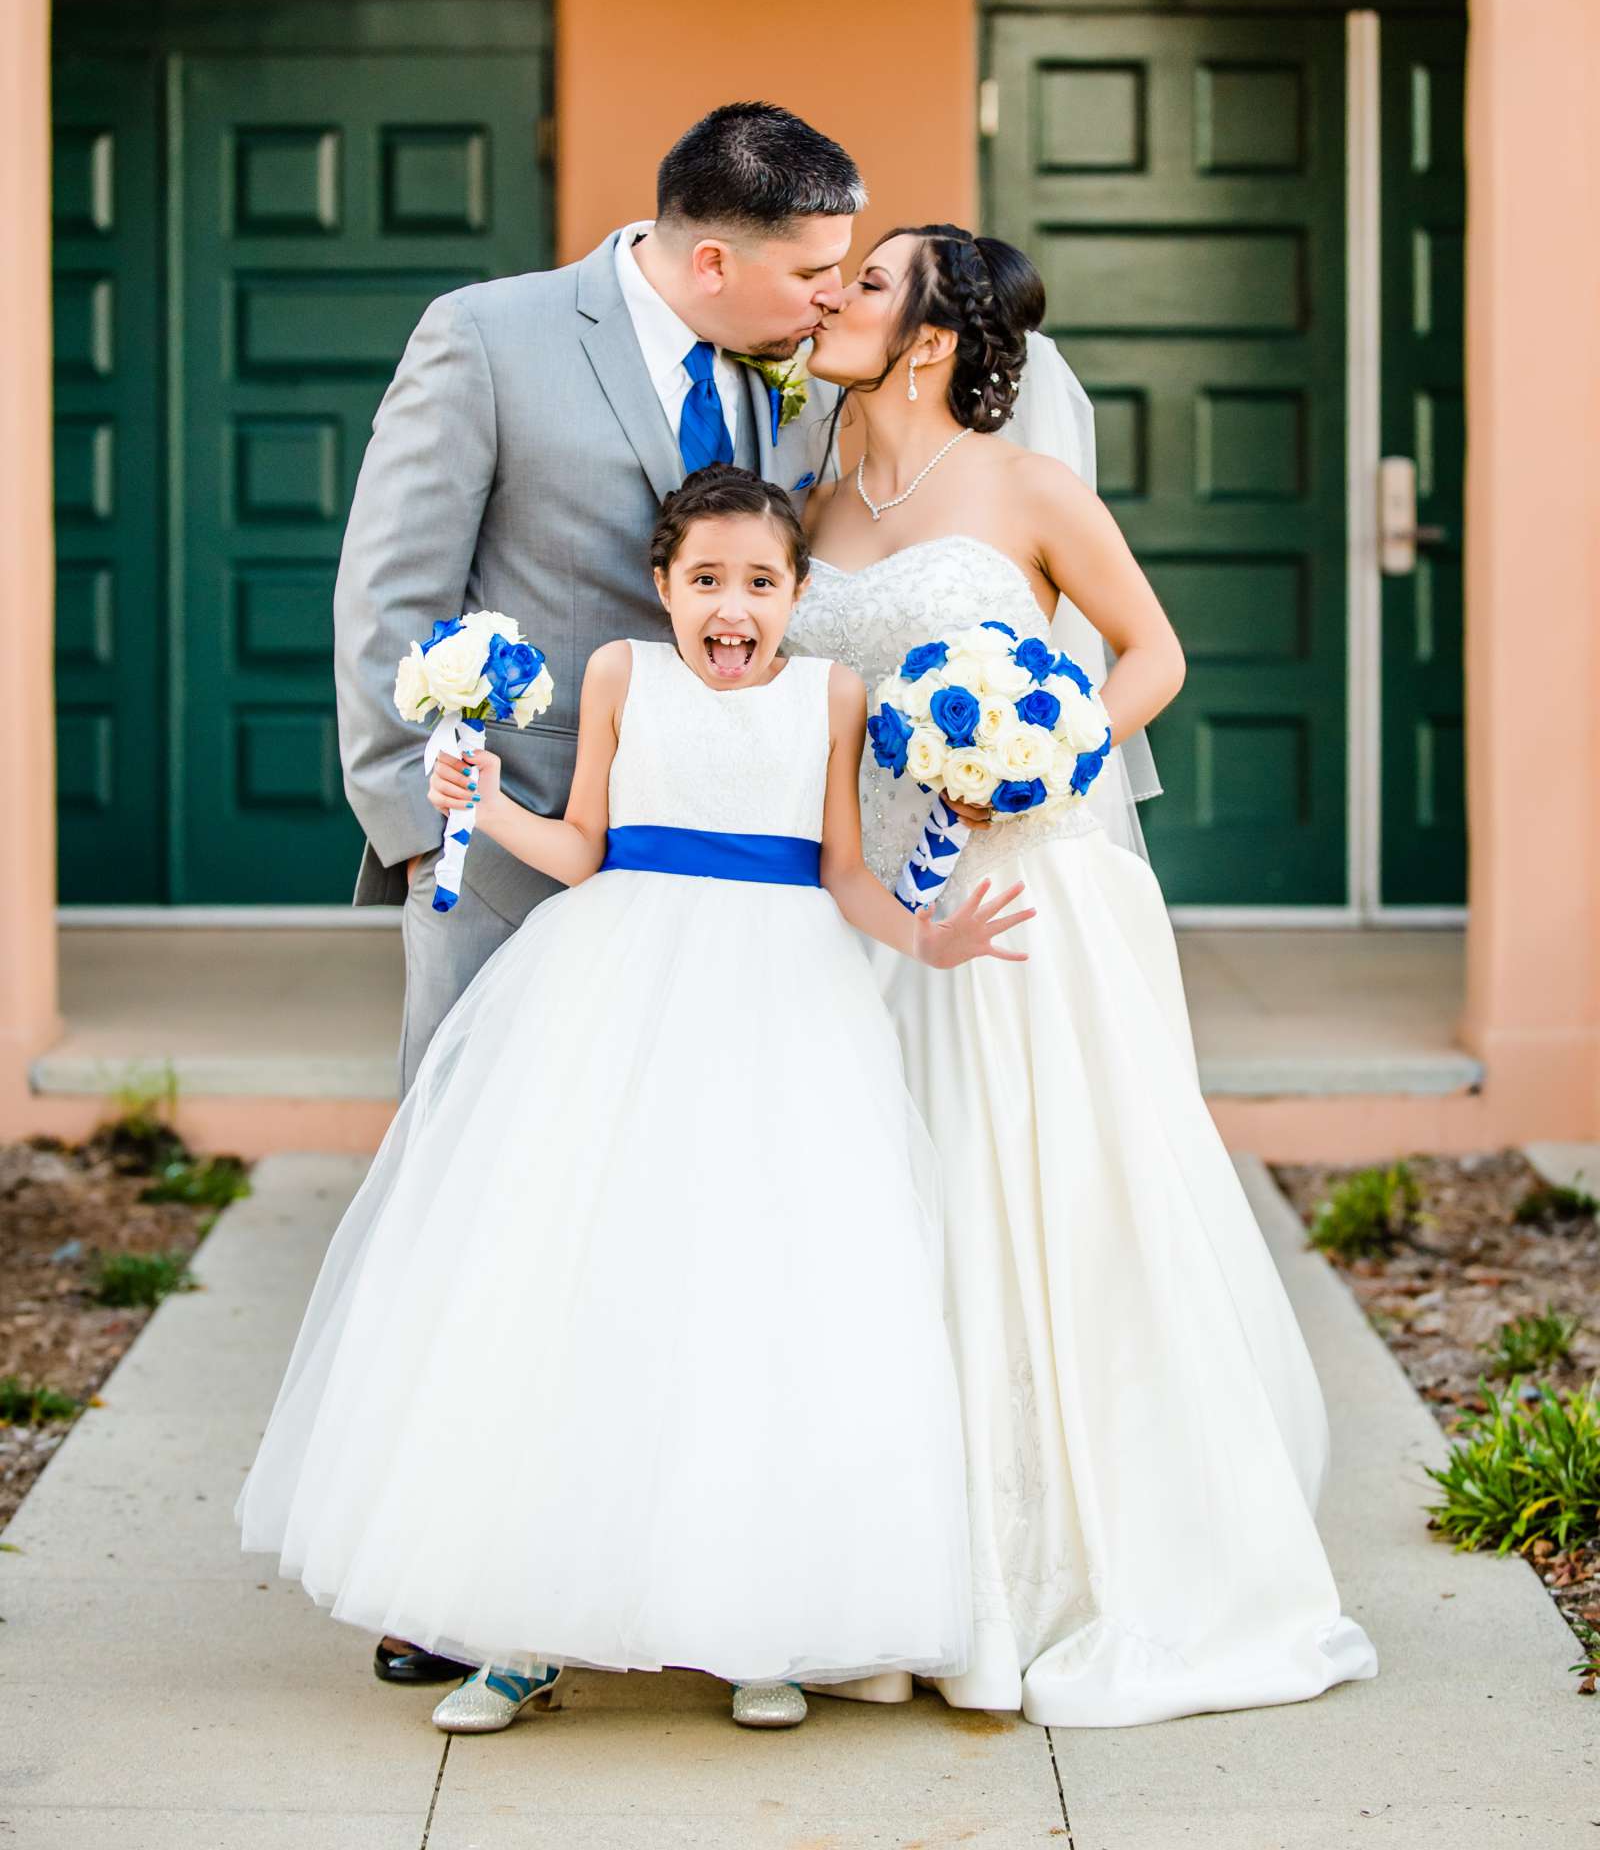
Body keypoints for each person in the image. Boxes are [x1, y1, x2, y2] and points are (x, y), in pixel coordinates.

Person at [239, 468, 1033, 1734]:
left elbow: (841, 868)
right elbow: (584, 846)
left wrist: (926, 937)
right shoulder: (621, 674)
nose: (732, 608)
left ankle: (757, 1624)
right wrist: (487, 799)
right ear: (663, 586)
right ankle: (522, 1629)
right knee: (579, 1281)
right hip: (616, 984)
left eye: (760, 584)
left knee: (765, 1291)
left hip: (784, 1004)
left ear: (796, 596)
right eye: (705, 580)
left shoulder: (831, 698)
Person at [786, 224, 1379, 1727]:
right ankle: (891, 1572)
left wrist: (1049, 750)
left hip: (1018, 900)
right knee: (887, 1218)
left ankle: (1050, 1572)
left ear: (929, 338)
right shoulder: (811, 500)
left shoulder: (1029, 489)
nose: (832, 296)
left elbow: (1151, 653)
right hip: (859, 913)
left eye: (865, 283)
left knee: (1031, 1211)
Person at [332, 100, 857, 1687]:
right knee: (479, 1204)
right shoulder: (487, 338)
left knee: (688, 1212)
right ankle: (441, 1576)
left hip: (732, 873)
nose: (831, 302)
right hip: (516, 846)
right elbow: (393, 588)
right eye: (812, 276)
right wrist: (421, 825)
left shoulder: (797, 382)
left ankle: (653, 1546)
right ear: (714, 259)